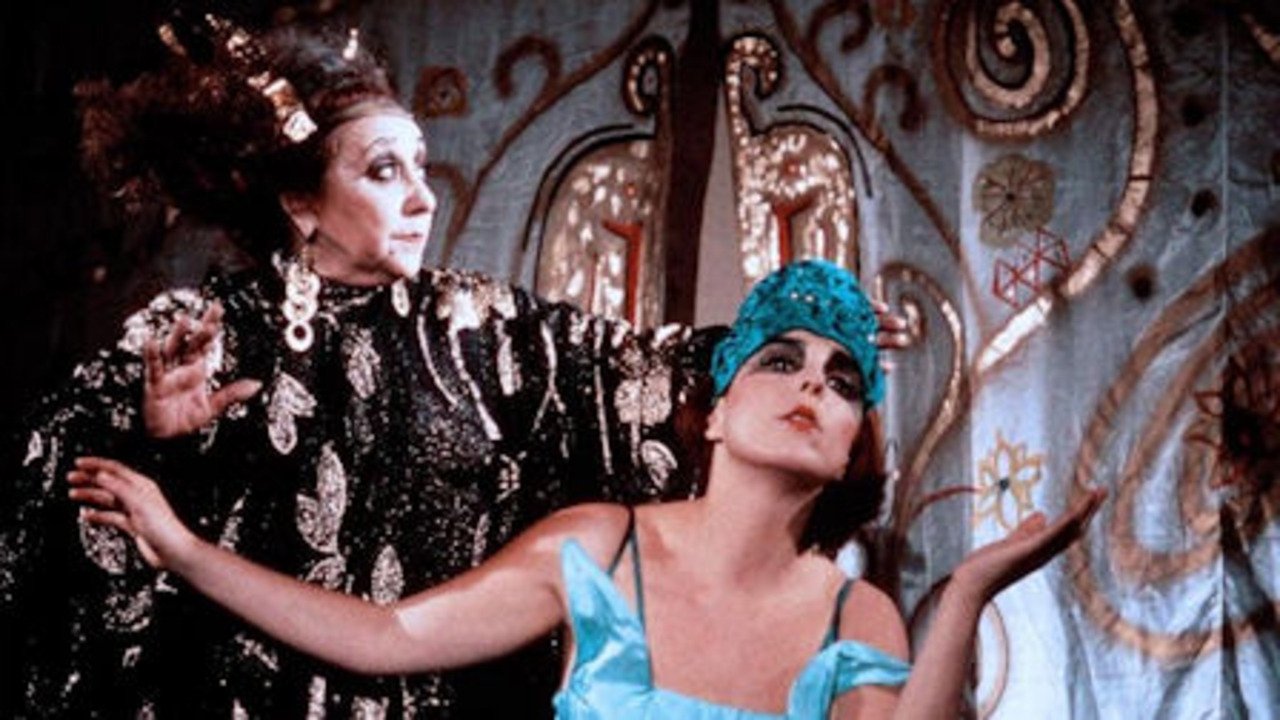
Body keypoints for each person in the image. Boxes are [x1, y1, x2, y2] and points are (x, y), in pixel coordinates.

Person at [0, 15, 913, 720]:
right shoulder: (195, 335)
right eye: (383, 172)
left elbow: (624, 376)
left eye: (423, 167)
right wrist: (161, 444)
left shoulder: (485, 327)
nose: (421, 196)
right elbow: (72, 537)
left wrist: (779, 342)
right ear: (301, 201)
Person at [68, 259, 1106, 719]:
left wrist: (967, 591)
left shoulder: (854, 612)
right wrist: (185, 548)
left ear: (851, 448)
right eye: (781, 361)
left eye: (843, 384)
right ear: (715, 409)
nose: (811, 389)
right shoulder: (600, 547)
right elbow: (386, 638)